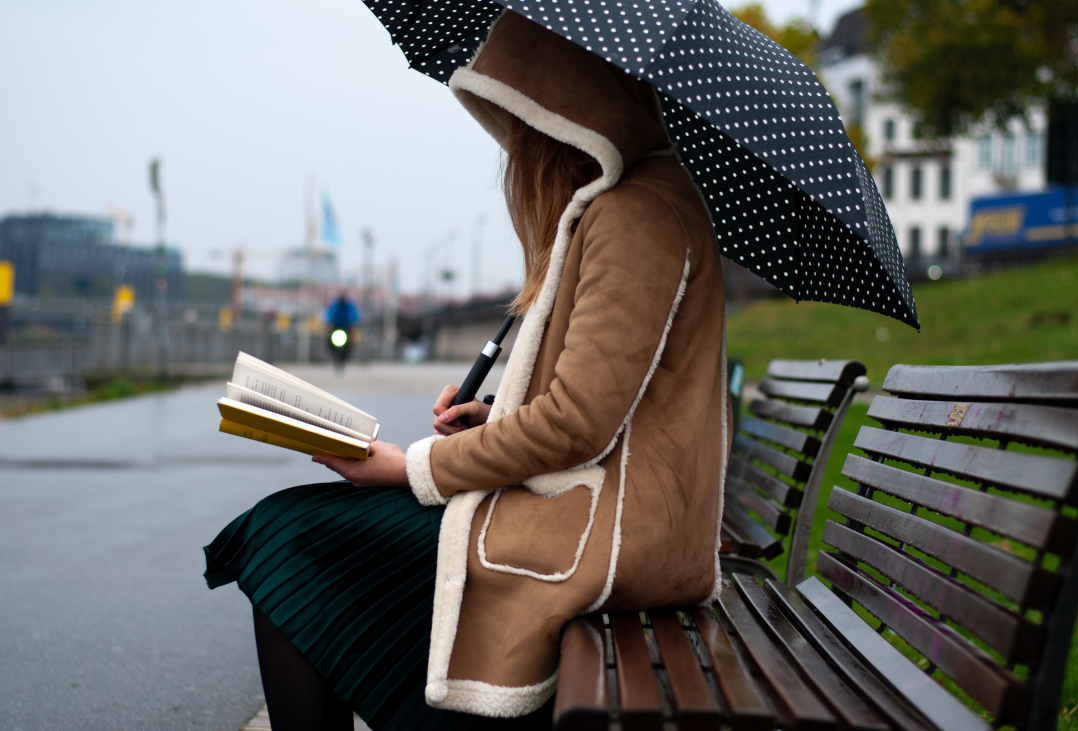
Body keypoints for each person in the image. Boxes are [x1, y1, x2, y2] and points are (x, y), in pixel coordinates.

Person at [203, 11, 730, 731]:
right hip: (612, 518)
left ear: (563, 108)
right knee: (299, 535)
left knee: (289, 539)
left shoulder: (635, 213)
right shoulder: (642, 200)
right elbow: (616, 411)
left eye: (517, 119)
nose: (510, 147)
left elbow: (578, 422)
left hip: (607, 543)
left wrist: (411, 465)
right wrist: (496, 425)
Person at [325, 293, 359, 370]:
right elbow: (329, 314)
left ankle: (345, 358)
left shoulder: (349, 306)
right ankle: (335, 356)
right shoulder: (335, 306)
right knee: (329, 341)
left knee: (350, 343)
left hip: (346, 328)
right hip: (336, 328)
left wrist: (352, 325)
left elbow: (353, 316)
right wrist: (329, 324)